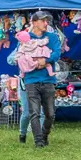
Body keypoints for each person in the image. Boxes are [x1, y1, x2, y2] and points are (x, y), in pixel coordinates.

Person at [13, 12, 63, 148]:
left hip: (48, 80)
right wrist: (33, 63)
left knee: (50, 114)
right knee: (34, 113)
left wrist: (45, 61)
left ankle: (44, 135)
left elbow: (57, 53)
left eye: (47, 21)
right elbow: (19, 56)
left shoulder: (52, 37)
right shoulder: (25, 37)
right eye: (43, 21)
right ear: (34, 22)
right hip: (31, 80)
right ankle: (38, 141)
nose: (46, 23)